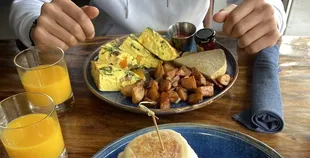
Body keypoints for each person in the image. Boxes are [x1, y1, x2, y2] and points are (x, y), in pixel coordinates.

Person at [10, 0, 286, 54]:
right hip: (106, 52)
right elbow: (28, 4)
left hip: (190, 50)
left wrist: (271, 13)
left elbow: (266, 5)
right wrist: (35, 23)